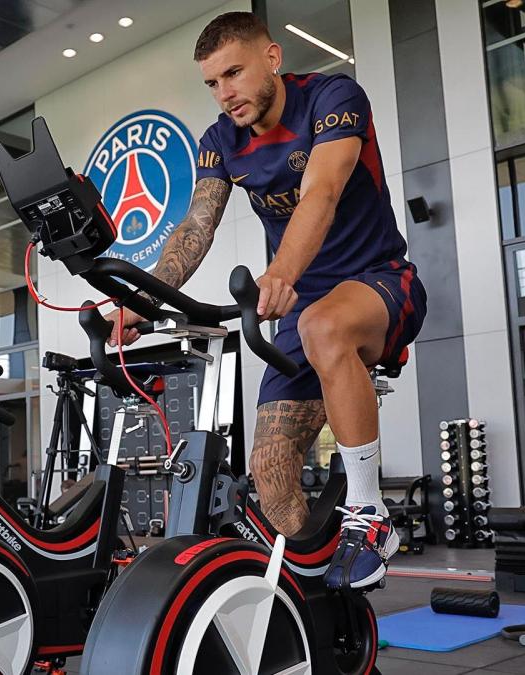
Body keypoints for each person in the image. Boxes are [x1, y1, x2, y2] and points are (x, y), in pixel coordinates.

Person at [105, 11, 426, 589]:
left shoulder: (333, 98)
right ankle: (312, 601)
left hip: (379, 282)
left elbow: (322, 192)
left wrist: (280, 273)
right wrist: (140, 302)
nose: (224, 94)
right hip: (299, 315)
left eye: (233, 73)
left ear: (271, 59)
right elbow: (194, 228)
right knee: (270, 471)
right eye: (211, 82)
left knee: (324, 324)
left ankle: (371, 517)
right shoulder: (220, 142)